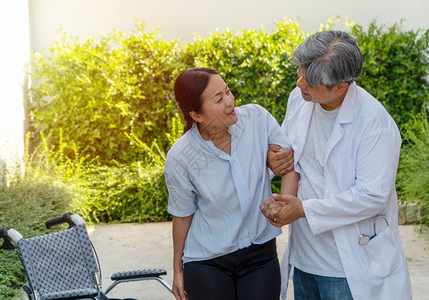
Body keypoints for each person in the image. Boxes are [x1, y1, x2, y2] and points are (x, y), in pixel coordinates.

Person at [261, 30, 412, 300]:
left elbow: (372, 196)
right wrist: (273, 162)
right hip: (306, 258)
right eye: (299, 75)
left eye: (309, 84)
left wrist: (304, 210)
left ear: (340, 86)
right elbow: (289, 155)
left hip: (348, 266)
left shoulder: (373, 123)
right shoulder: (300, 100)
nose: (299, 85)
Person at [164, 67, 299, 300]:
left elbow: (288, 165)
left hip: (260, 254)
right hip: (207, 261)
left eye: (227, 91)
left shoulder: (257, 119)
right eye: (218, 99)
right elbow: (183, 215)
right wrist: (177, 269)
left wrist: (284, 205)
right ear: (197, 115)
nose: (229, 101)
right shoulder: (181, 156)